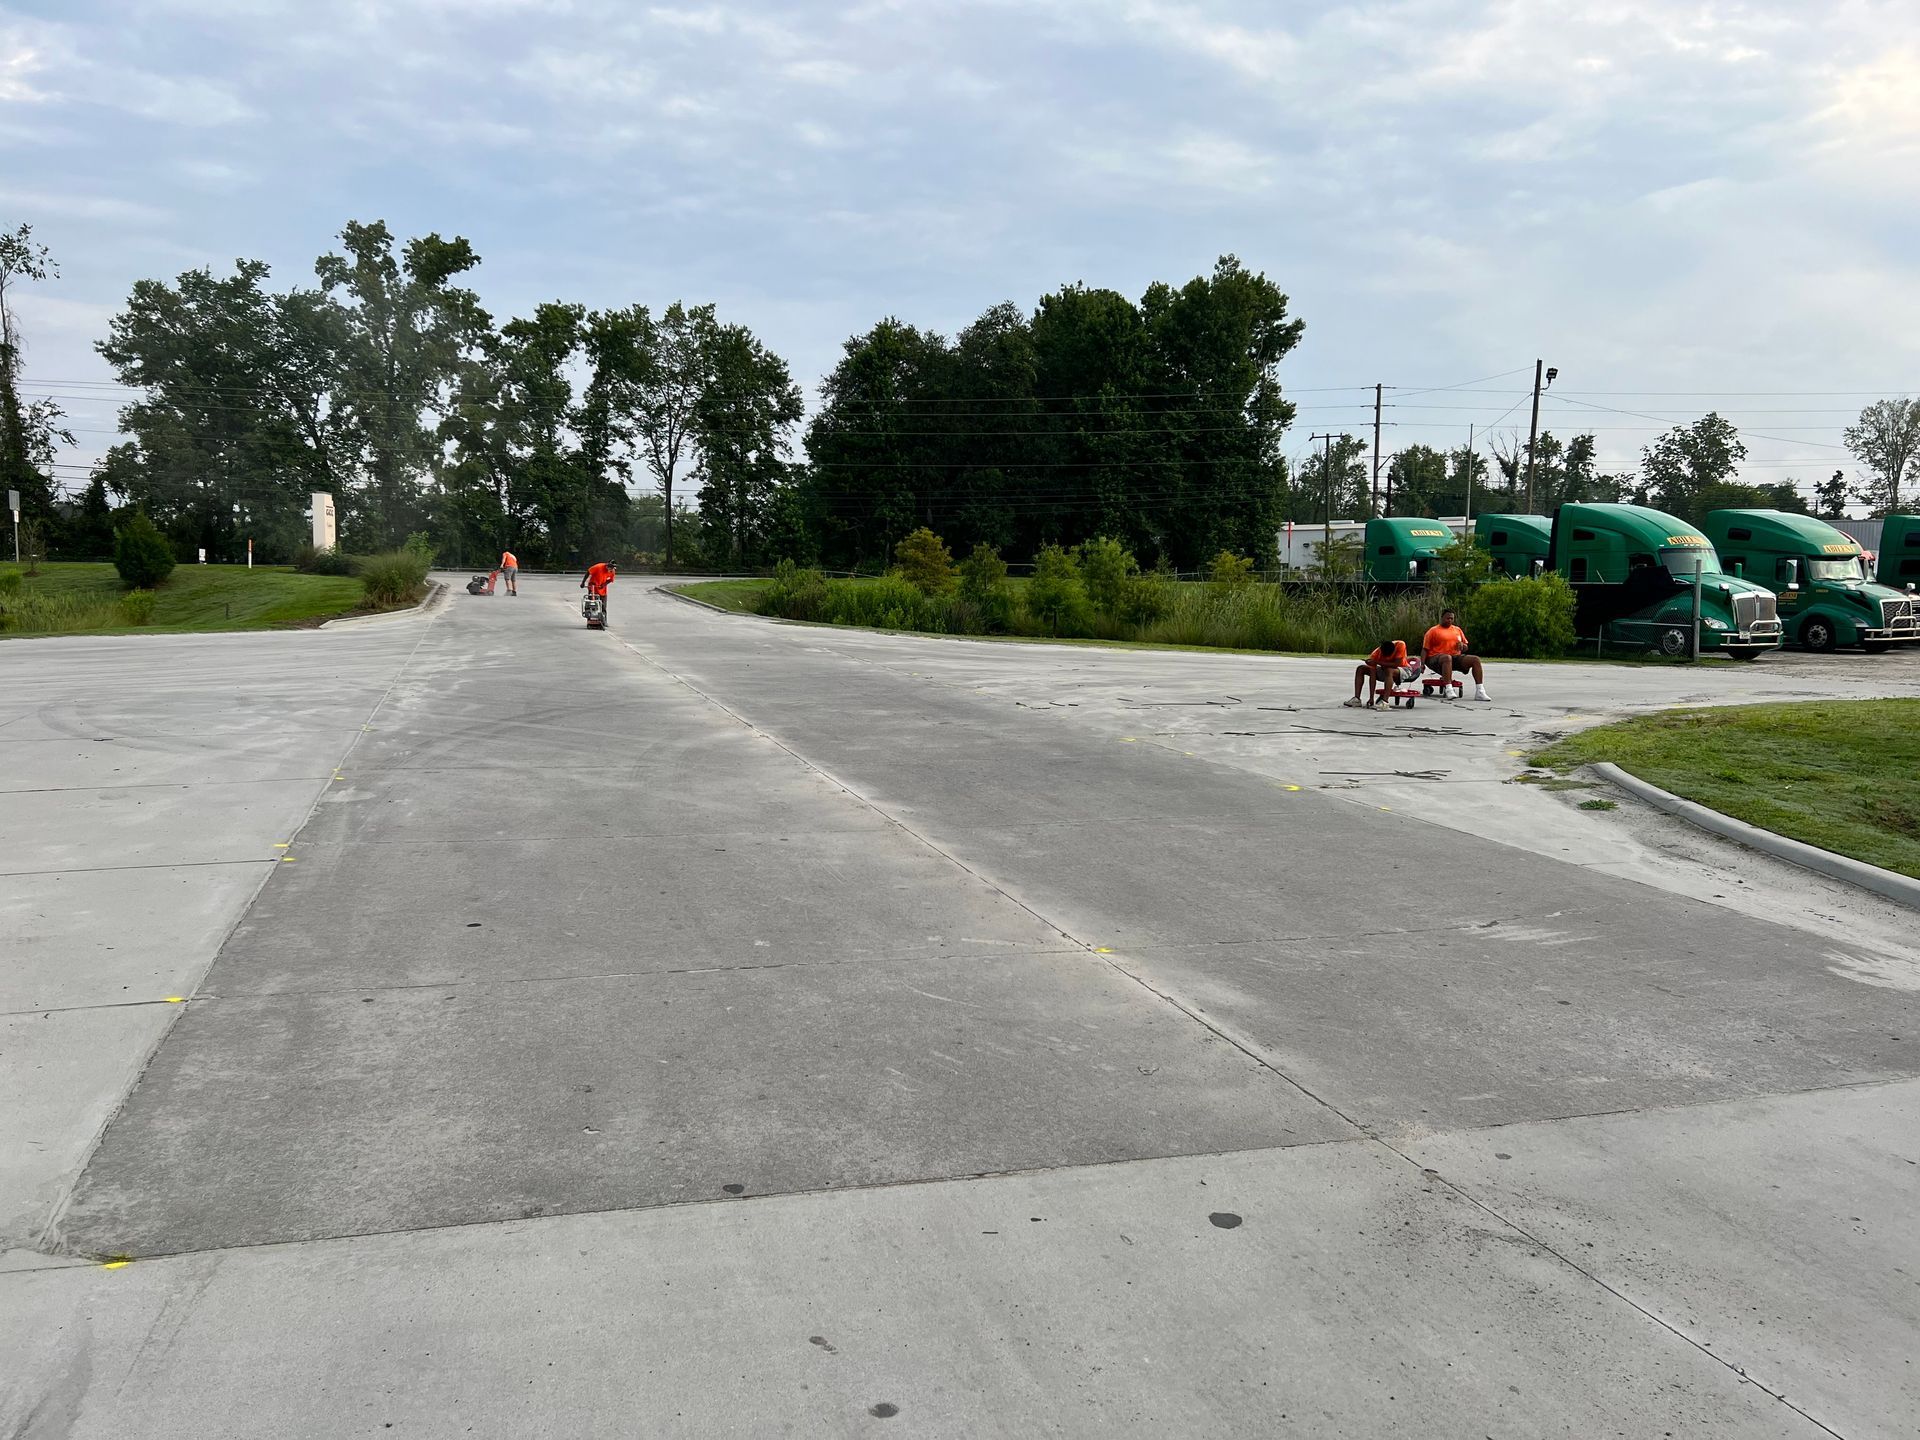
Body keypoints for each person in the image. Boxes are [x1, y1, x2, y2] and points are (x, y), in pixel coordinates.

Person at [1422, 608, 1491, 701]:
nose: (1450, 620)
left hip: (1454, 657)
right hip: (1435, 658)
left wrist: (1463, 646)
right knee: (1447, 658)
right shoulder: (1433, 631)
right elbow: (1425, 649)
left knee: (1475, 660)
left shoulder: (1457, 630)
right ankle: (1449, 689)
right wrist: (1422, 664)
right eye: (1447, 618)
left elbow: (1466, 646)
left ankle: (1480, 691)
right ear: (1442, 618)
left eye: (1452, 618)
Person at [1346, 637, 1413, 708]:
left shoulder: (1400, 645)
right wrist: (1371, 698)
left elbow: (1396, 664)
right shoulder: (1375, 654)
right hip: (1384, 670)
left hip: (1403, 669)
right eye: (1385, 656)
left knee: (1389, 669)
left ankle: (1385, 702)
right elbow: (1373, 675)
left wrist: (1377, 662)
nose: (1387, 658)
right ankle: (1357, 699)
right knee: (1361, 668)